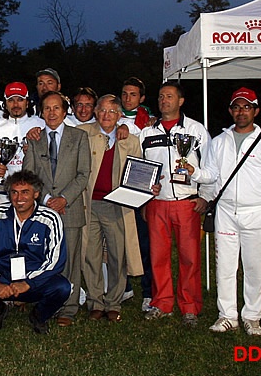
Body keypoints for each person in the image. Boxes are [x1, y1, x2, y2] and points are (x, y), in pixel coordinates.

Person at [203, 88, 261, 336]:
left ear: (255, 111)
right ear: (230, 110)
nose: (241, 111)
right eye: (237, 107)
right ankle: (227, 315)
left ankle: (252, 316)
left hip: (257, 214)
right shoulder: (218, 141)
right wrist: (191, 172)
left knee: (255, 269)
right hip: (226, 212)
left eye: (246, 107)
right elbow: (211, 177)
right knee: (225, 268)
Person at [0, 170, 71, 334]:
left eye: (25, 192)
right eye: (14, 193)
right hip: (2, 275)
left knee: (62, 288)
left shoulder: (50, 218)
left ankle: (39, 316)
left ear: (36, 194)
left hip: (33, 278)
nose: (19, 199)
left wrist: (28, 283)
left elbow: (56, 260)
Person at [138, 81, 212, 326]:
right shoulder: (148, 133)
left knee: (189, 257)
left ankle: (189, 306)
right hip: (158, 203)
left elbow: (210, 167)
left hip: (186, 203)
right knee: (158, 256)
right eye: (160, 96)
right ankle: (162, 302)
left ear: (180, 101)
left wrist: (205, 196)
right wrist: (146, 195)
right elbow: (141, 169)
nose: (163, 101)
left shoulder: (196, 130)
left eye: (169, 96)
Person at [22, 91, 90, 326]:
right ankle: (49, 303)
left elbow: (83, 175)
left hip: (69, 210)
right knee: (45, 260)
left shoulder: (79, 137)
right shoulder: (34, 138)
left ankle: (69, 308)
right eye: (47, 108)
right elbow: (28, 176)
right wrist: (46, 199)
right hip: (42, 211)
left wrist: (63, 198)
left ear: (64, 111)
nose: (51, 113)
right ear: (42, 112)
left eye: (56, 108)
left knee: (69, 262)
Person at [77, 95, 144, 322]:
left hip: (117, 206)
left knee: (118, 255)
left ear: (119, 116)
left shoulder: (130, 140)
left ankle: (114, 302)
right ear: (96, 112)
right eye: (102, 110)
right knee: (91, 255)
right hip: (89, 205)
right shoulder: (82, 133)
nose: (106, 115)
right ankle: (96, 301)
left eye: (112, 112)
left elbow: (139, 175)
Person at [119, 77, 155, 311]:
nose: (127, 98)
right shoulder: (112, 117)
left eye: (133, 94)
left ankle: (148, 292)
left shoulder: (150, 123)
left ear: (141, 98)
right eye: (124, 93)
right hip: (118, 191)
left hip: (142, 189)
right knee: (119, 243)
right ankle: (124, 288)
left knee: (144, 244)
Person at [0, 82, 45, 205]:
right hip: (5, 192)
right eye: (11, 100)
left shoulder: (41, 125)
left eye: (20, 100)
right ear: (5, 104)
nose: (15, 105)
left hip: (34, 190)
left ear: (27, 102)